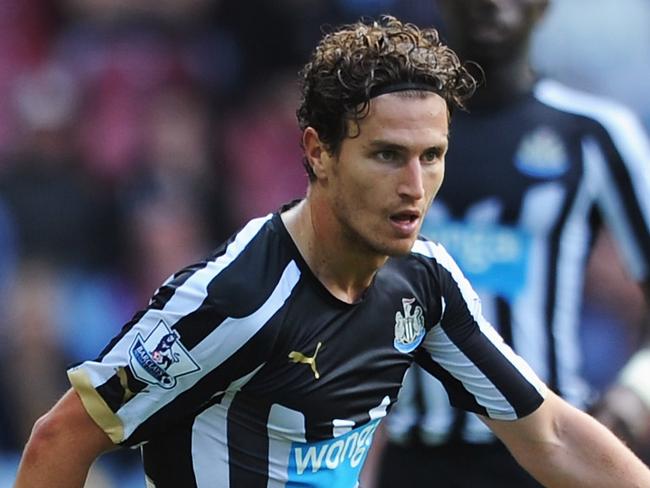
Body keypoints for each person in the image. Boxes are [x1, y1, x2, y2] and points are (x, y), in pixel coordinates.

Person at [14, 15, 650, 488]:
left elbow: (552, 433)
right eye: (386, 155)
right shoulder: (237, 299)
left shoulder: (424, 282)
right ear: (318, 152)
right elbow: (59, 439)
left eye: (432, 157)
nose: (415, 186)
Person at [377, 1, 650, 487]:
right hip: (417, 454)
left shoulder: (593, 134)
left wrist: (635, 394)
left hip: (549, 454)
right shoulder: (388, 132)